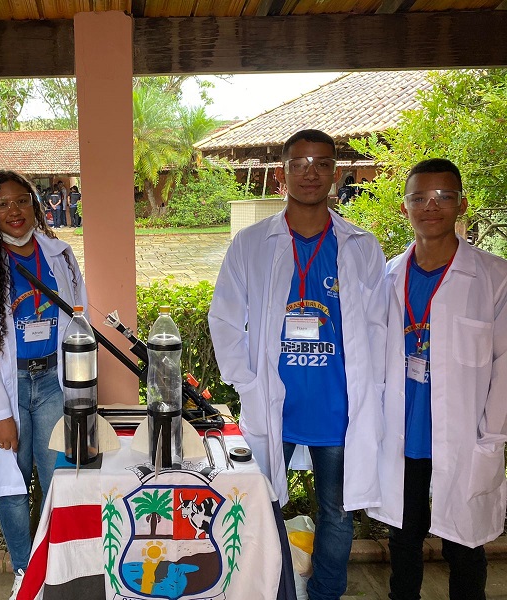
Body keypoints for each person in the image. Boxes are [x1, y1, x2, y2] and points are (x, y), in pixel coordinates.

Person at [209, 129, 387, 600]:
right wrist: (246, 382)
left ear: (335, 173)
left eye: (322, 163)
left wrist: (373, 392)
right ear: (281, 173)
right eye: (300, 163)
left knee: (338, 512)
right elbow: (224, 318)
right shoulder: (251, 243)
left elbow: (379, 327)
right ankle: (269, 590)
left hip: (339, 407)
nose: (311, 173)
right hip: (273, 403)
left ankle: (326, 593)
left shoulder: (360, 245)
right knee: (258, 504)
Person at [368, 159, 507, 600]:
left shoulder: (494, 276)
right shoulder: (387, 276)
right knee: (403, 538)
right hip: (404, 432)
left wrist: (492, 434)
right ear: (404, 207)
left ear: (462, 204)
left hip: (465, 435)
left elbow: (505, 364)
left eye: (444, 197)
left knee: (464, 544)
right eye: (420, 198)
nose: (431, 206)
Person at [0, 169, 87, 600]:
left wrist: (81, 386)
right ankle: (23, 569)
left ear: (36, 205)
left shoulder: (61, 255)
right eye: (3, 204)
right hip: (8, 384)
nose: (14, 211)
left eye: (21, 201)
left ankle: (56, 564)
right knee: (12, 486)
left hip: (53, 382)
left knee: (58, 479)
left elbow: (80, 319)